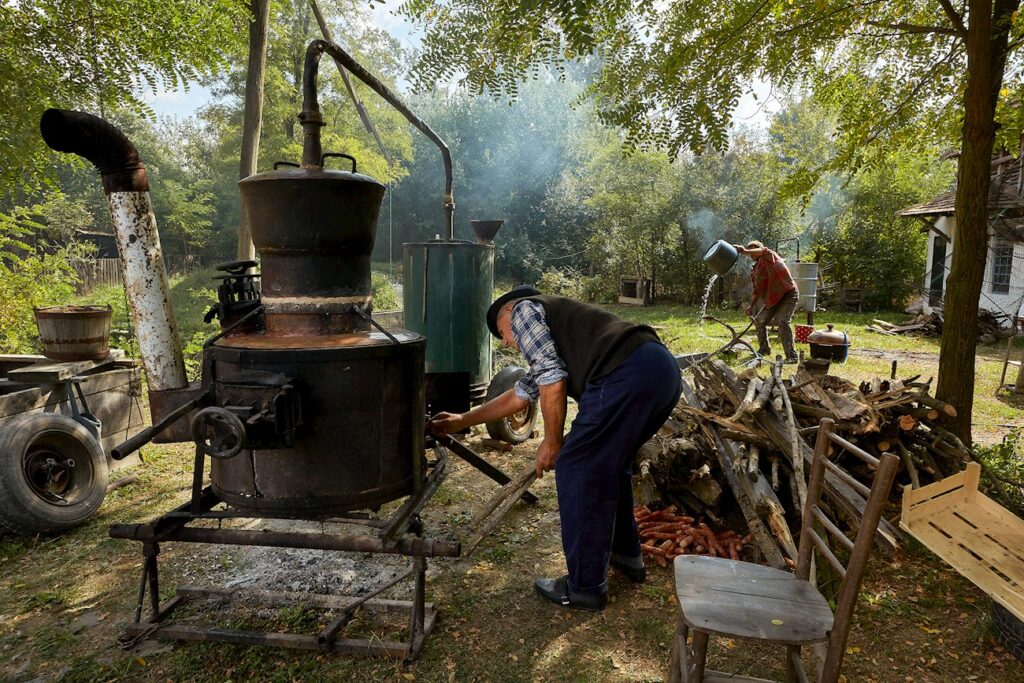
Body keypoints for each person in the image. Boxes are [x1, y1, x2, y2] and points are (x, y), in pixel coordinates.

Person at [427, 286, 682, 611]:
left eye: (501, 332)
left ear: (508, 312)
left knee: (577, 466)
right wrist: (462, 419)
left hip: (625, 372)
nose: (507, 341)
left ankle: (585, 587)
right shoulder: (553, 333)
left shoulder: (522, 311)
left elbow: (553, 380)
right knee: (609, 466)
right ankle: (626, 555)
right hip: (661, 371)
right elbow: (521, 394)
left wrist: (551, 441)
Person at [734, 241, 799, 362]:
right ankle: (764, 349)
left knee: (784, 322)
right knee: (760, 322)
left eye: (753, 250)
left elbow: (763, 251)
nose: (751, 254)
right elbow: (757, 290)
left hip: (788, 293)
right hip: (773, 298)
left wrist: (744, 251)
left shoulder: (769, 255)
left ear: (758, 249)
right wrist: (751, 306)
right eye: (749, 250)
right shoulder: (755, 270)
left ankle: (792, 356)